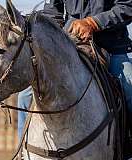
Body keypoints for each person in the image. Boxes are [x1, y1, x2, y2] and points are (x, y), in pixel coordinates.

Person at [18, 0, 132, 148]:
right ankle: (23, 147)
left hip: (112, 47)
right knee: (24, 97)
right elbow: (53, 13)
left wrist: (93, 22)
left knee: (130, 89)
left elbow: (127, 7)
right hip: (71, 45)